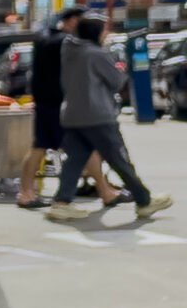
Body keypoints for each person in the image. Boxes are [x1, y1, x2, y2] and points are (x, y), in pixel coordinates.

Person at [45, 16, 171, 224]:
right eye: (104, 30)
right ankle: (144, 200)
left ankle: (61, 202)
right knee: (119, 158)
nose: (107, 34)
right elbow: (116, 81)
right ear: (95, 33)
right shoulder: (97, 54)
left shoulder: (69, 51)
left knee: (75, 160)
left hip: (72, 115)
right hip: (97, 115)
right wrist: (119, 67)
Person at [17, 7, 91, 209]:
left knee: (40, 146)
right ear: (73, 21)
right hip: (58, 104)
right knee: (84, 146)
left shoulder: (45, 39)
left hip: (44, 103)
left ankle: (26, 193)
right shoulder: (65, 42)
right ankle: (103, 189)